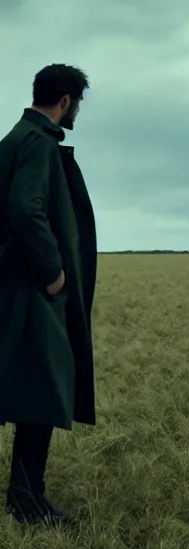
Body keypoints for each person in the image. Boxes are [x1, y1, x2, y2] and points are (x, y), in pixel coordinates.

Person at [0, 64, 98, 525]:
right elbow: (24, 207)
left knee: (28, 387)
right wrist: (53, 272)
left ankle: (24, 496)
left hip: (14, 284)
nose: (76, 110)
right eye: (77, 102)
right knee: (43, 389)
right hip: (29, 288)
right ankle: (27, 501)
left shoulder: (16, 137)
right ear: (65, 101)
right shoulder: (38, 143)